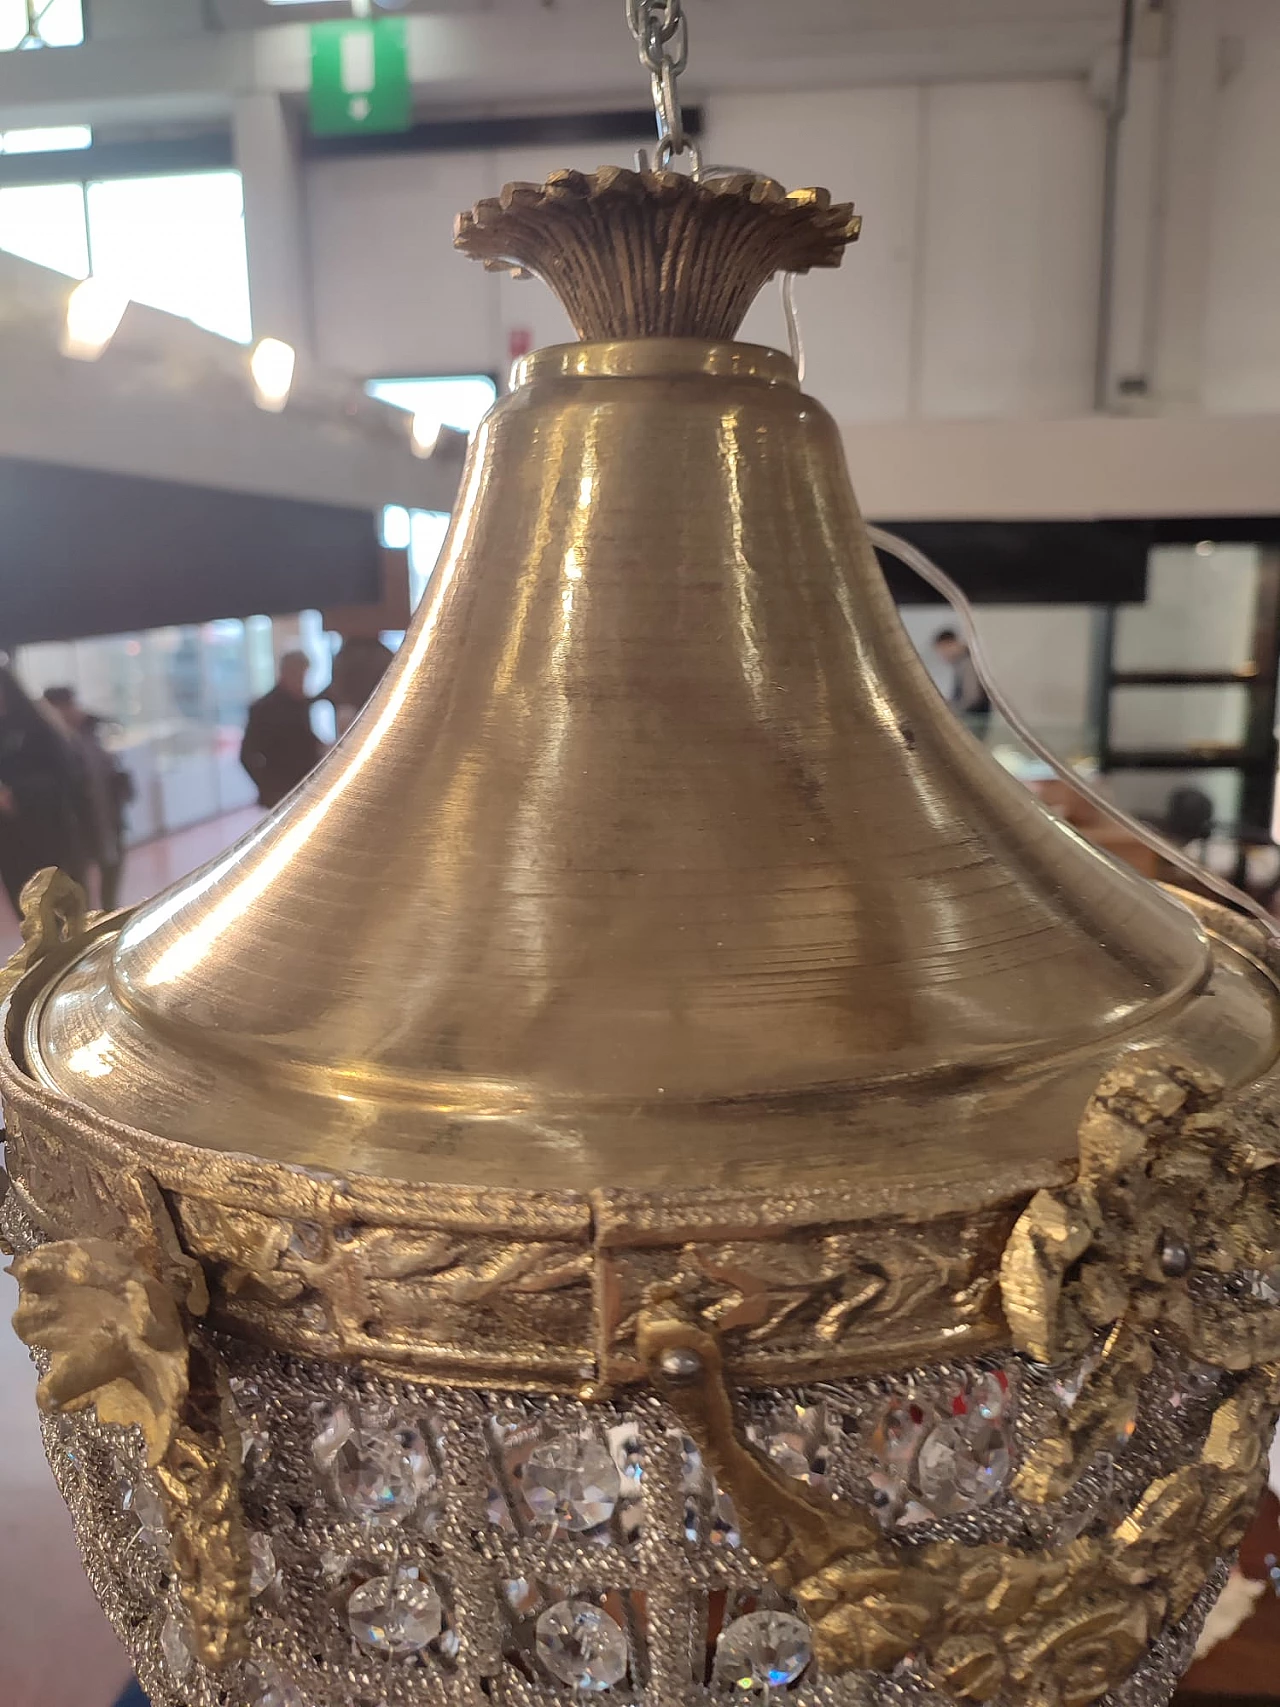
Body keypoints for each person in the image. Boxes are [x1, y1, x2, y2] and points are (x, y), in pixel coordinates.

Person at [0, 663, 90, 913]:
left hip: (49, 834)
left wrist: (16, 793)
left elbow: (64, 776)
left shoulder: (34, 724)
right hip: (10, 842)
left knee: (62, 907)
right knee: (29, 912)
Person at [43, 687, 134, 911]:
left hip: (108, 818)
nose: (74, 710)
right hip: (75, 828)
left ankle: (109, 916)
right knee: (76, 886)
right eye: (65, 706)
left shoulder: (91, 732)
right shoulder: (48, 745)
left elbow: (108, 770)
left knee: (111, 873)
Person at [240, 650, 323, 809]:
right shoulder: (264, 709)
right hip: (283, 792)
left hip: (306, 787)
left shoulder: (299, 703)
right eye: (299, 676)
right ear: (286, 673)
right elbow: (247, 755)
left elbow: (303, 736)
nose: (302, 682)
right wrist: (270, 789)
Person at [931, 626, 991, 739]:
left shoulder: (968, 663)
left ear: (950, 644)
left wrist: (952, 711)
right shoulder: (963, 663)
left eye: (942, 650)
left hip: (973, 721)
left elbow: (971, 696)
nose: (942, 656)